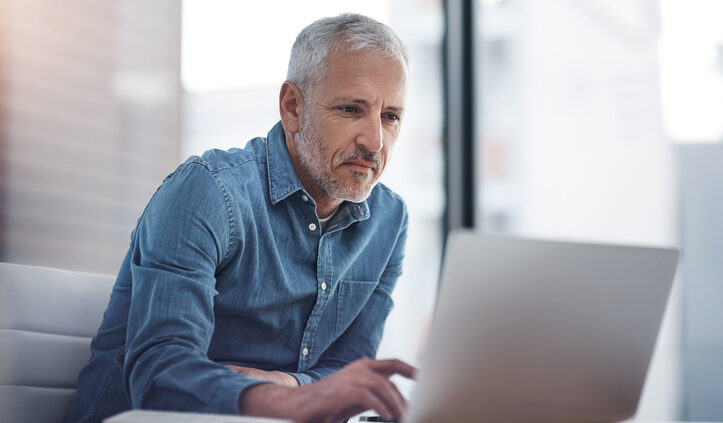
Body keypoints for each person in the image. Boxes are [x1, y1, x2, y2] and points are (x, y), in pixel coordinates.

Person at [65, 13, 414, 423]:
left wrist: (291, 386)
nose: (374, 141)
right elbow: (161, 375)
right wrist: (295, 401)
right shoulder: (208, 192)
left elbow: (347, 369)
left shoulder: (389, 221)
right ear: (292, 107)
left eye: (390, 116)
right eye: (351, 109)